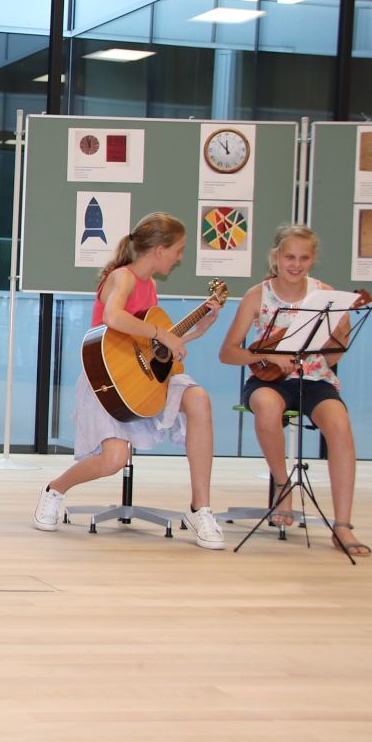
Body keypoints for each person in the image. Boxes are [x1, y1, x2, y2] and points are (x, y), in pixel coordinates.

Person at [31, 212, 225, 550]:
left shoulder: (151, 287)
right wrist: (162, 333)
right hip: (105, 378)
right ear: (160, 250)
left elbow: (151, 350)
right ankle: (55, 490)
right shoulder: (122, 277)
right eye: (178, 250)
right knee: (113, 459)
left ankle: (200, 509)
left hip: (140, 380)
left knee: (199, 399)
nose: (180, 257)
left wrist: (195, 331)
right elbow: (114, 317)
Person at [218, 224, 369, 556]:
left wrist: (341, 331)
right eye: (289, 257)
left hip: (314, 379)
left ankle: (343, 525)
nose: (296, 264)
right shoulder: (257, 295)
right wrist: (267, 355)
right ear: (275, 256)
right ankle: (282, 484)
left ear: (313, 259)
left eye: (304, 258)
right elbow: (227, 353)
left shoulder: (326, 295)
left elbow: (331, 359)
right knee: (268, 407)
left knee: (340, 425)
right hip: (268, 379)